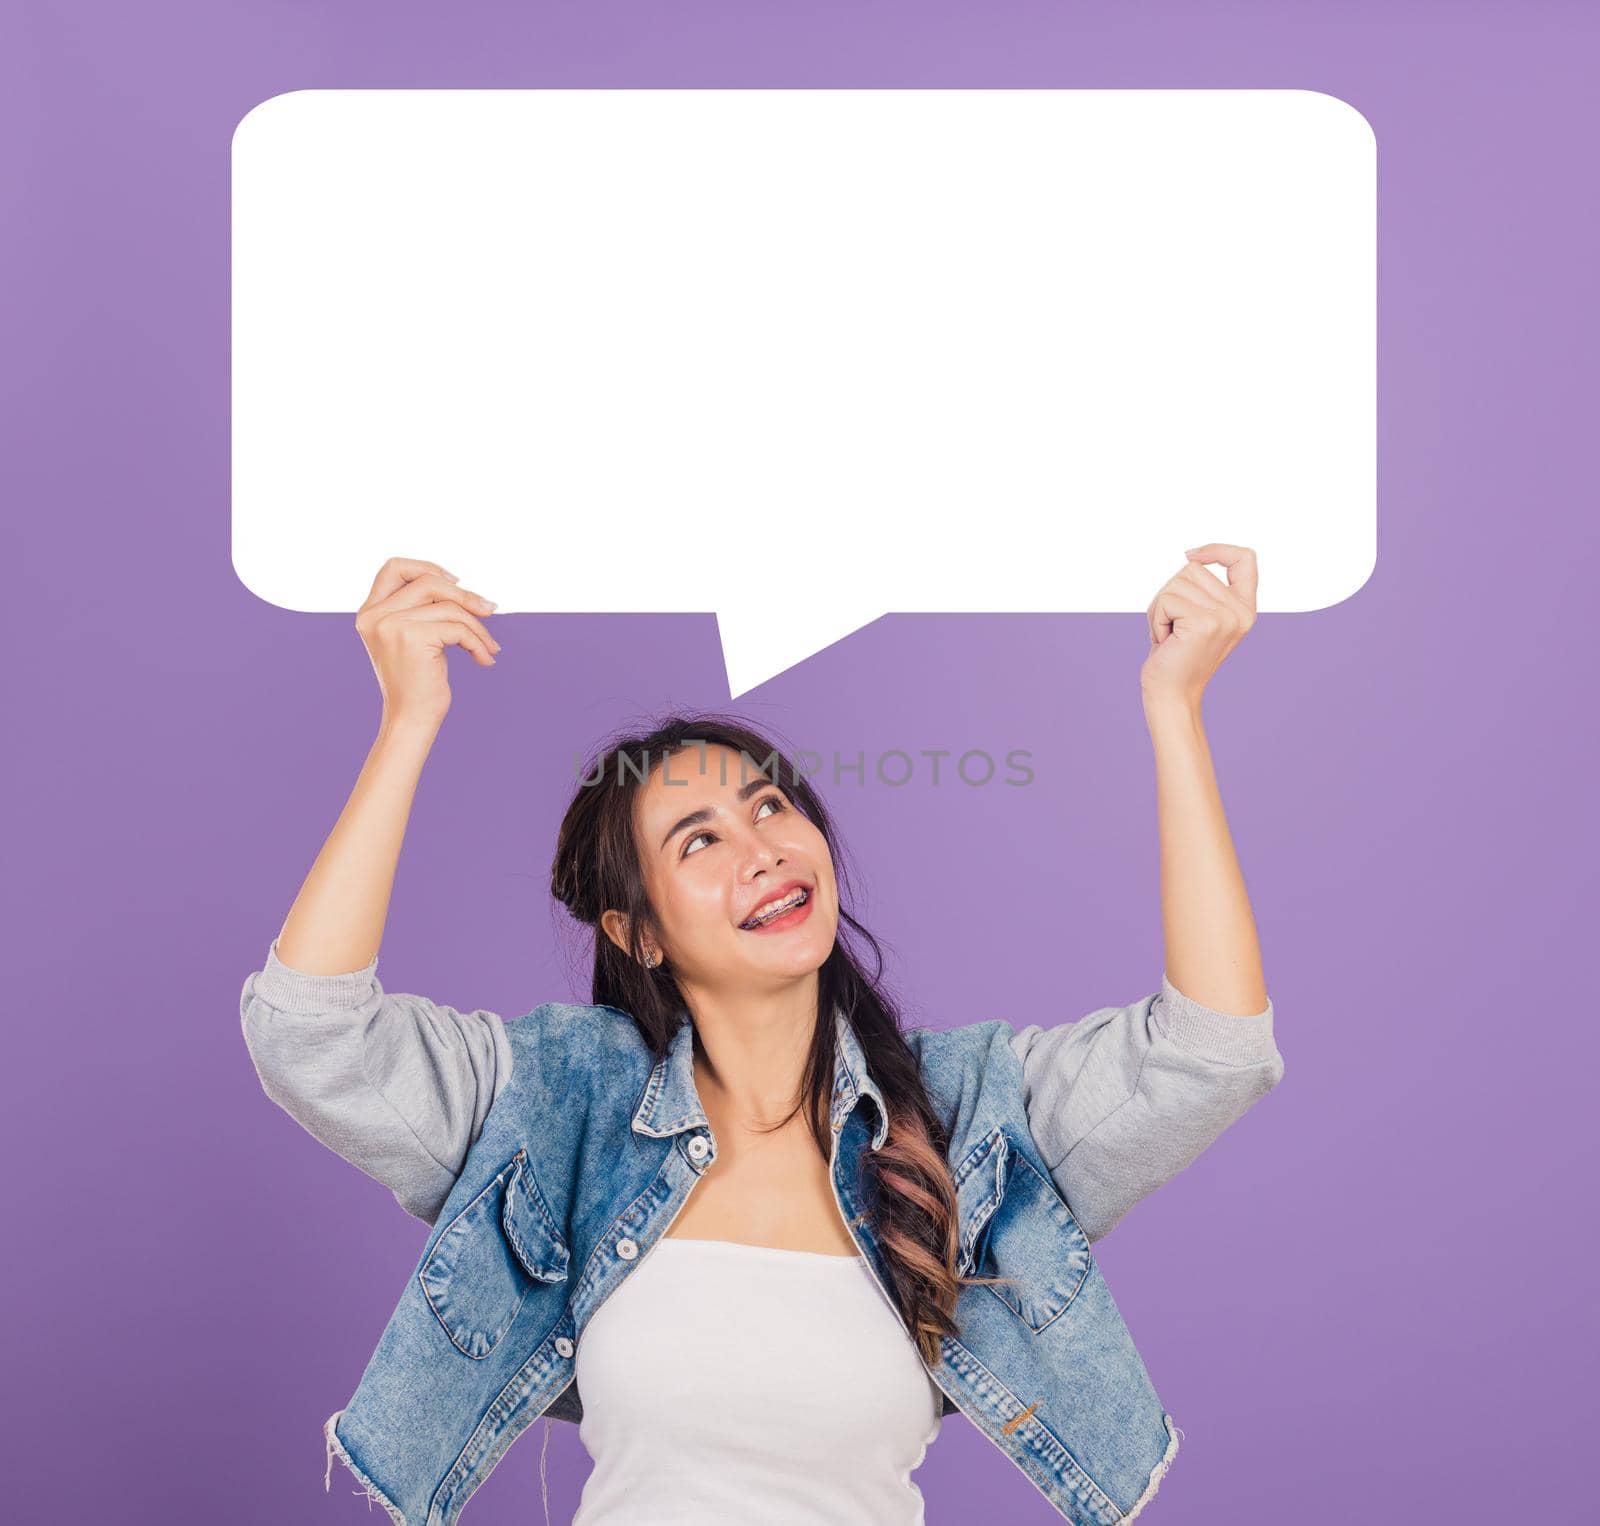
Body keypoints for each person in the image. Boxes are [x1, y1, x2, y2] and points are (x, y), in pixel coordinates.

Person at [240, 552, 1285, 1525]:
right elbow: (312, 1036)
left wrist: (1173, 705)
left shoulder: (964, 1115)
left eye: (770, 805)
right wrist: (407, 719)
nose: (763, 849)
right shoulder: (564, 1104)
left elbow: (1211, 1050)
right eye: (699, 839)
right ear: (636, 931)